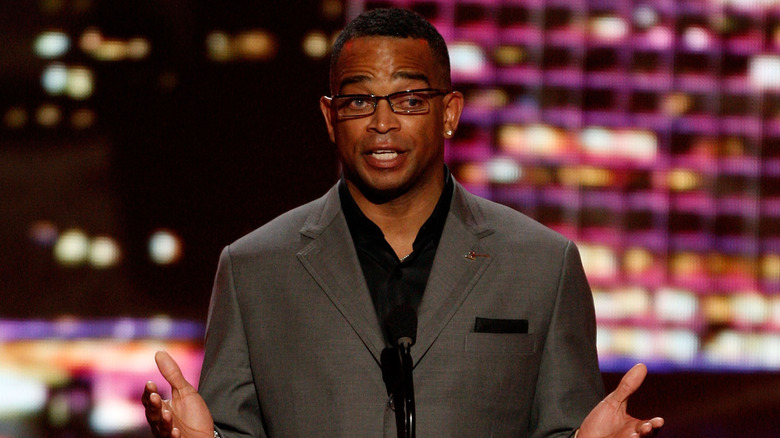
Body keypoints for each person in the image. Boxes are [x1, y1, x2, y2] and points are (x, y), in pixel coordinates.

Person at [142, 8, 664, 438]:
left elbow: (563, 427)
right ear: (330, 117)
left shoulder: (542, 265)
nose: (382, 122)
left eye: (410, 100)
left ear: (449, 112)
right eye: (359, 101)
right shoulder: (254, 268)